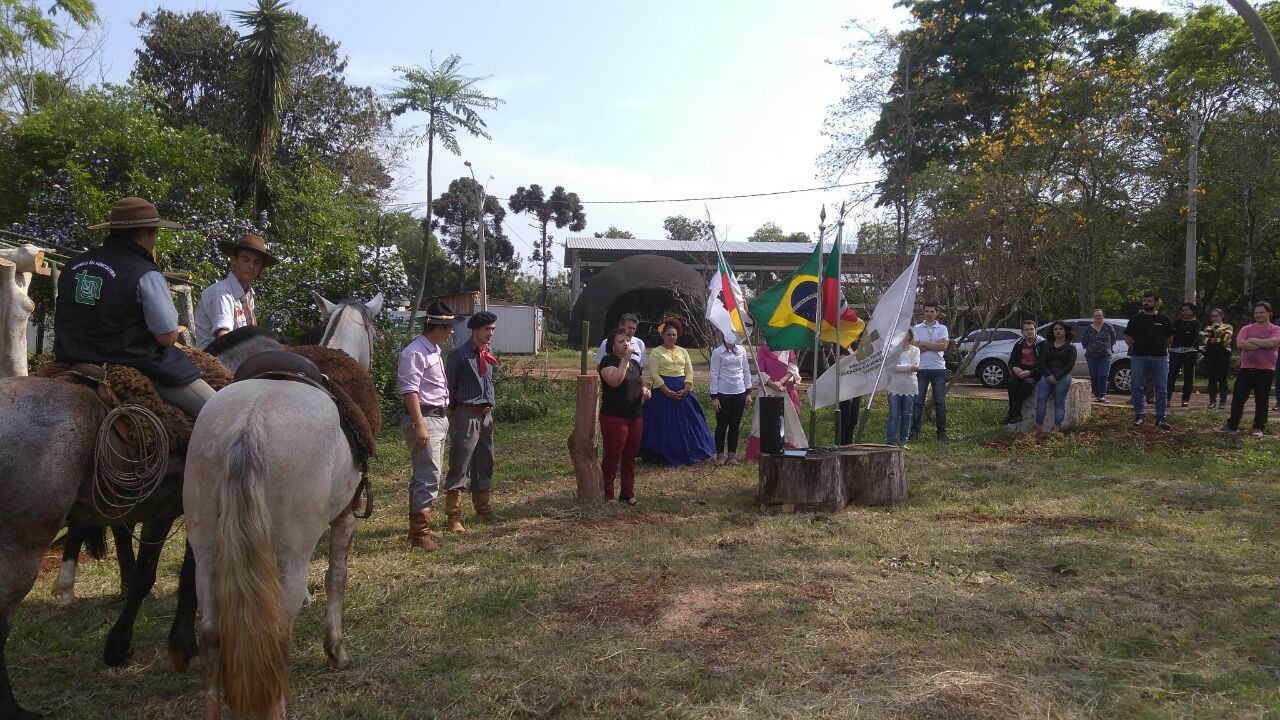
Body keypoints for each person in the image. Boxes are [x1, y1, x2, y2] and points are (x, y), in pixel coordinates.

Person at [54, 196, 213, 417]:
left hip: (72, 357)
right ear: (142, 233)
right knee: (219, 411)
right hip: (131, 362)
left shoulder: (74, 264)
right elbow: (167, 337)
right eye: (154, 234)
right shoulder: (145, 272)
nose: (155, 241)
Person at [397, 301, 462, 551]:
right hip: (425, 418)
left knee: (424, 474)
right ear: (437, 327)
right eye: (449, 327)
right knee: (428, 476)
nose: (451, 332)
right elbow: (409, 391)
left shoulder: (433, 350)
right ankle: (419, 534)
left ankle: (419, 526)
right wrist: (420, 425)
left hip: (437, 417)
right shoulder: (415, 352)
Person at [443, 310, 499, 532]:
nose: (490, 333)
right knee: (461, 463)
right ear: (475, 330)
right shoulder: (459, 355)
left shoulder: (487, 352)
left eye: (493, 329)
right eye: (487, 329)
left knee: (485, 460)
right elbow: (449, 386)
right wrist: (453, 412)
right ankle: (453, 515)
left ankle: (482, 506)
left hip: (485, 415)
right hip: (466, 414)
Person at [638, 317, 715, 466]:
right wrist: (667, 391)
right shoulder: (656, 352)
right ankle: (662, 453)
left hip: (683, 390)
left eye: (674, 335)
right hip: (662, 391)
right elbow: (654, 374)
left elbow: (689, 371)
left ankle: (692, 450)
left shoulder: (683, 351)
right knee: (665, 424)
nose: (671, 337)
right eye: (668, 334)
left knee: (691, 422)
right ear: (663, 335)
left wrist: (687, 387)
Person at [193, 233, 278, 350]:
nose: (251, 266)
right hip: (213, 357)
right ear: (233, 260)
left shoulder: (247, 294)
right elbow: (224, 337)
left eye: (257, 262)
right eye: (246, 260)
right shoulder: (222, 292)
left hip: (238, 355)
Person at [598, 327, 651, 504]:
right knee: (613, 455)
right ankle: (608, 494)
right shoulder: (607, 361)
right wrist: (625, 359)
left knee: (630, 456)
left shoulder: (634, 364)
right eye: (621, 341)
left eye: (628, 341)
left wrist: (644, 390)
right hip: (614, 416)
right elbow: (614, 381)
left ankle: (627, 493)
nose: (626, 344)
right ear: (612, 345)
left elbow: (638, 382)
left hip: (635, 415)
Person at [1217, 301, 1280, 437]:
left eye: (1261, 312)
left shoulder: (1275, 329)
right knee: (1238, 397)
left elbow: (1274, 342)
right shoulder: (1246, 328)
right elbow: (1240, 344)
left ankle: (1258, 427)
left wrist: (1252, 340)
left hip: (1266, 369)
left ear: (1269, 313)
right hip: (1246, 368)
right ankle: (1232, 425)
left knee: (1262, 399)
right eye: (1256, 312)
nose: (1258, 315)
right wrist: (1264, 344)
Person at [744, 341, 808, 460]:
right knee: (764, 421)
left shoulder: (789, 350)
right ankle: (762, 452)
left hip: (786, 391)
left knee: (788, 421)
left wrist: (781, 382)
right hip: (767, 391)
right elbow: (760, 371)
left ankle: (788, 450)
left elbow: (792, 369)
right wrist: (774, 385)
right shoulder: (763, 350)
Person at [1124, 293, 1174, 429]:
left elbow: (1170, 338)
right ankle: (1139, 416)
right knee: (1137, 387)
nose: (1146, 303)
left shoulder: (1164, 319)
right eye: (1144, 300)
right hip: (1139, 357)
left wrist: (1161, 347)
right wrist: (1135, 349)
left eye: (1149, 301)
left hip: (1160, 358)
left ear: (1155, 303)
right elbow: (1128, 337)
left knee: (1161, 388)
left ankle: (1160, 418)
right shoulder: (1136, 318)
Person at [709, 335, 754, 465]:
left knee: (735, 425)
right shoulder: (718, 352)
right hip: (723, 393)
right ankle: (720, 455)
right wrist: (714, 397)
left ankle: (732, 455)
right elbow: (714, 374)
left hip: (739, 392)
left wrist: (748, 392)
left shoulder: (741, 350)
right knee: (722, 425)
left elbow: (746, 371)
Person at [910, 302, 950, 441]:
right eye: (926, 311)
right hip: (921, 369)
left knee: (940, 402)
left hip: (938, 369)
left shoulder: (942, 328)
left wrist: (924, 343)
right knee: (918, 402)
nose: (929, 314)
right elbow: (915, 347)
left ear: (937, 312)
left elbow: (943, 346)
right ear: (923, 312)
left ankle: (941, 433)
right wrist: (935, 345)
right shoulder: (917, 328)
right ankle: (914, 433)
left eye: (932, 311)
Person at [1035, 321, 1077, 431]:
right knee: (1041, 400)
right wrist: (1049, 375)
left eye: (1060, 329)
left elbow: (1069, 365)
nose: (1058, 331)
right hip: (1047, 375)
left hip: (1063, 376)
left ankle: (1056, 429)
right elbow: (1042, 362)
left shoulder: (1071, 348)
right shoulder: (1046, 345)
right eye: (1055, 329)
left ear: (1065, 331)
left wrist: (1056, 377)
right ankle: (1038, 427)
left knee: (1059, 402)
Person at [1001, 320, 1043, 425]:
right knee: (1011, 383)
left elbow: (1044, 364)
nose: (1029, 332)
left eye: (1031, 329)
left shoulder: (1042, 344)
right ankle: (1016, 415)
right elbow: (1011, 362)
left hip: (1035, 371)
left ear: (1036, 330)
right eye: (1026, 330)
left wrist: (1030, 372)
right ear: (1022, 332)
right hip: (1020, 370)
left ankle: (1012, 413)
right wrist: (1014, 368)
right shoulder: (1019, 344)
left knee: (1027, 384)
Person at [886, 328, 920, 447]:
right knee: (893, 415)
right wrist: (908, 367)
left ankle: (903, 441)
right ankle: (890, 442)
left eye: (906, 333)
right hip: (894, 386)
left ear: (910, 336)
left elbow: (915, 367)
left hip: (909, 386)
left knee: (907, 415)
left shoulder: (915, 350)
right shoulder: (892, 351)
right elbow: (891, 367)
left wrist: (901, 368)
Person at [1167, 302, 1201, 408]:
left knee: (1188, 375)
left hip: (1190, 351)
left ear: (1192, 311)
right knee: (1172, 374)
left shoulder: (1196, 323)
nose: (1185, 312)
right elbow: (1172, 334)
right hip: (1175, 350)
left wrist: (1186, 335)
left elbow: (1195, 336)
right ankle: (1167, 398)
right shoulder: (1177, 322)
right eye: (1183, 310)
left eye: (1187, 310)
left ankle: (1185, 399)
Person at [1080, 309, 1116, 402]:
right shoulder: (1089, 328)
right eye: (1096, 315)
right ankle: (1097, 395)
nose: (1098, 317)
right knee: (1094, 375)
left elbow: (1113, 339)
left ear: (1103, 316)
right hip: (1091, 356)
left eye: (1099, 315)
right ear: (1093, 317)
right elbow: (1084, 342)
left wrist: (1107, 347)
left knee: (1103, 375)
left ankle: (1102, 395)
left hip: (1105, 355)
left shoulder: (1108, 327)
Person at [1200, 308, 1234, 410]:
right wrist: (1219, 339)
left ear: (1221, 316)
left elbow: (1226, 338)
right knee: (1212, 379)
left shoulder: (1228, 326)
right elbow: (1204, 340)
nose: (1214, 318)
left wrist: (1218, 329)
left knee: (1222, 378)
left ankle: (1222, 402)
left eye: (1217, 316)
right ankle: (1212, 401)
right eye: (1213, 316)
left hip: (1223, 355)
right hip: (1210, 355)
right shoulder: (1208, 328)